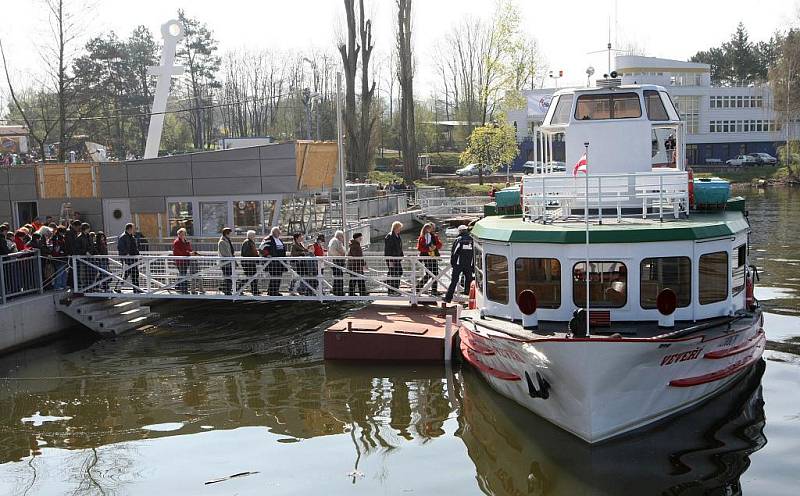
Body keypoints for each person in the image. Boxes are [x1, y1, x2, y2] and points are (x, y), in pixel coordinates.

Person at [445, 225, 475, 303]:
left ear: (460, 231)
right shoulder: (472, 240)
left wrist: (453, 263)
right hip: (468, 264)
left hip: (458, 264)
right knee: (469, 280)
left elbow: (454, 252)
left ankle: (448, 298)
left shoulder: (458, 239)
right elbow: (475, 253)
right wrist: (473, 265)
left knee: (454, 281)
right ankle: (470, 298)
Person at [416, 222, 442, 295]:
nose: (431, 229)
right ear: (425, 229)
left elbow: (440, 245)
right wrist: (428, 249)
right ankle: (419, 287)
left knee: (435, 273)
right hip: (426, 257)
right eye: (430, 228)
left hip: (434, 257)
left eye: (432, 228)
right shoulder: (422, 237)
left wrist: (435, 247)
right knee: (429, 273)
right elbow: (419, 248)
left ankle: (434, 290)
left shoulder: (434, 236)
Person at [260, 227, 286, 296]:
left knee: (278, 277)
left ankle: (275, 291)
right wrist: (267, 254)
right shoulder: (268, 239)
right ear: (273, 232)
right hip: (272, 262)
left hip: (280, 263)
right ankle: (272, 292)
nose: (279, 233)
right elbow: (261, 248)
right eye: (278, 232)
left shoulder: (279, 240)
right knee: (274, 277)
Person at [172, 227, 197, 294]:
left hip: (186, 260)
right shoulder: (177, 242)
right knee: (183, 275)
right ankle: (184, 290)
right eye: (181, 234)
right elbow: (179, 252)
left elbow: (189, 249)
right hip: (180, 261)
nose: (183, 235)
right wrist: (189, 253)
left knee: (182, 274)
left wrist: (192, 252)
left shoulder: (186, 241)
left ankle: (178, 287)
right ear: (178, 234)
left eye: (184, 234)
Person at [117, 223, 141, 292]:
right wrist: (126, 254)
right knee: (125, 274)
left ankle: (136, 289)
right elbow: (120, 247)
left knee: (135, 274)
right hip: (127, 260)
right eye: (133, 228)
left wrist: (138, 255)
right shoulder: (123, 237)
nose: (134, 230)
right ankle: (118, 288)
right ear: (130, 229)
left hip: (133, 259)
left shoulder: (132, 237)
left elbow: (135, 248)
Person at [384, 221, 404, 295]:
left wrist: (402, 255)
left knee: (398, 272)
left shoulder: (397, 235)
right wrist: (390, 259)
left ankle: (395, 288)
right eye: (399, 228)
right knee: (393, 273)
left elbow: (399, 247)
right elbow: (388, 249)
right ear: (395, 228)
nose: (400, 229)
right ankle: (392, 290)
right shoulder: (389, 236)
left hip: (397, 258)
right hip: (392, 259)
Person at [240, 230, 261, 295]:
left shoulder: (250, 242)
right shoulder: (247, 242)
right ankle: (239, 288)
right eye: (254, 235)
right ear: (251, 236)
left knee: (252, 277)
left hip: (250, 262)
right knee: (249, 277)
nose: (255, 237)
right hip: (248, 263)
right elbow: (247, 253)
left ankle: (254, 290)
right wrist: (256, 255)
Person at [347, 232, 368, 296]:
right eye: (360, 237)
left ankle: (352, 293)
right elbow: (358, 257)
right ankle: (362, 293)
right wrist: (364, 264)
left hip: (354, 266)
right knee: (359, 280)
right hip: (356, 266)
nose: (361, 238)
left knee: (354, 280)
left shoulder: (354, 245)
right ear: (357, 238)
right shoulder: (355, 246)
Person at [328, 230, 346, 296]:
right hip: (336, 262)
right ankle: (338, 291)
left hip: (337, 261)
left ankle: (338, 290)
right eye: (342, 236)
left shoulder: (337, 241)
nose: (343, 238)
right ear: (339, 236)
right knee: (338, 276)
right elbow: (332, 250)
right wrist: (340, 255)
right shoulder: (334, 241)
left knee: (338, 276)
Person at [217, 227, 235, 295]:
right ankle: (226, 290)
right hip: (225, 263)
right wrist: (231, 259)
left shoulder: (227, 240)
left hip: (229, 262)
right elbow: (225, 253)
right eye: (229, 233)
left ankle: (226, 289)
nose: (230, 235)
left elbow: (230, 252)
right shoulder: (222, 242)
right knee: (227, 277)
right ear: (226, 234)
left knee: (229, 277)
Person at [50, 226, 68, 290]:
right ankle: (57, 286)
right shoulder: (56, 238)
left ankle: (63, 284)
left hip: (62, 257)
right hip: (59, 257)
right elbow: (57, 248)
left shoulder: (60, 237)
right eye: (63, 232)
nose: (63, 234)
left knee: (64, 272)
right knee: (60, 271)